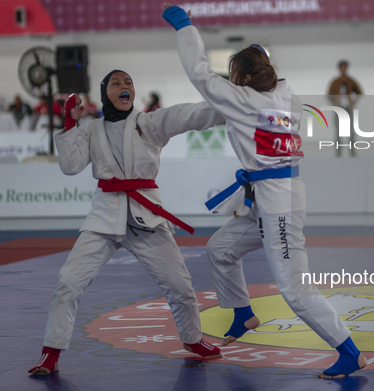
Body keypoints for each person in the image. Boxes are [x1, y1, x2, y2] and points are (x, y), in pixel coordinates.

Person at [162, 5, 367, 379]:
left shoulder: (245, 101)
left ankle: (348, 349)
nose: (230, 81)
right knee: (220, 250)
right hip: (271, 198)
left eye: (234, 75)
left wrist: (184, 27)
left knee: (293, 286)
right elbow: (262, 75)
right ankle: (243, 312)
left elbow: (200, 74)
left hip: (278, 204)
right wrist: (255, 55)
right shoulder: (287, 95)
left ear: (241, 78)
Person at [28, 70, 226, 376]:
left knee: (180, 286)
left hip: (146, 216)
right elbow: (71, 166)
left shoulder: (148, 123)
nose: (125, 87)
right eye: (117, 83)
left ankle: (193, 339)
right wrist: (69, 123)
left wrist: (232, 105)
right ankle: (50, 352)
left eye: (129, 83)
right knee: (68, 282)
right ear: (106, 92)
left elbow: (188, 115)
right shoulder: (92, 129)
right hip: (104, 216)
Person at [327, 60, 363, 157]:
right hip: (339, 109)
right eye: (342, 68)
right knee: (338, 131)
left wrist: (353, 103)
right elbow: (329, 95)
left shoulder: (351, 81)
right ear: (339, 69)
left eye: (345, 68)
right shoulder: (335, 82)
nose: (343, 70)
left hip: (348, 108)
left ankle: (352, 152)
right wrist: (335, 104)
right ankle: (338, 152)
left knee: (351, 130)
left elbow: (359, 93)